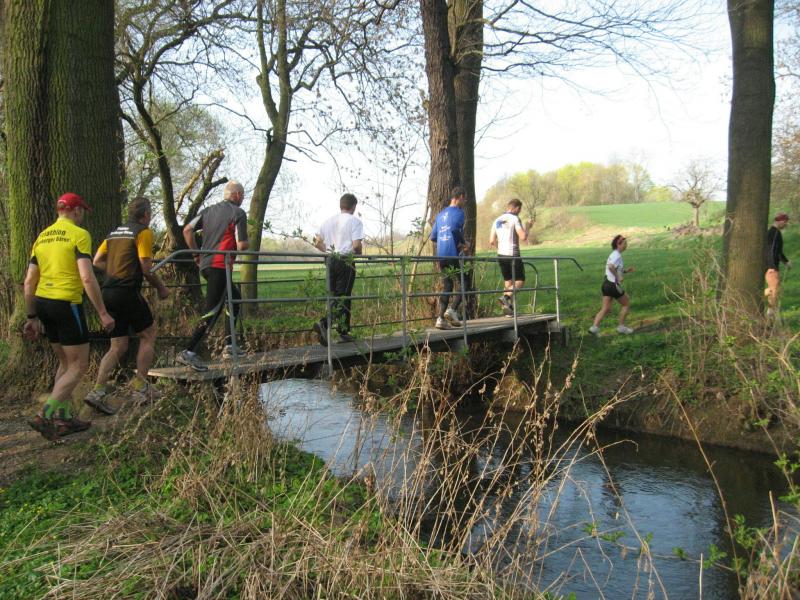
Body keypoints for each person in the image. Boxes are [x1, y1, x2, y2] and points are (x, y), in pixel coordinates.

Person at [23, 193, 115, 440]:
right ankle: (44, 415)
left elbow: (29, 281)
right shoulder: (79, 234)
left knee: (65, 364)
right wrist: (103, 313)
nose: (82, 215)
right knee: (79, 365)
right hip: (66, 304)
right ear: (76, 211)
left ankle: (63, 418)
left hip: (43, 304)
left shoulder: (42, 237)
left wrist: (31, 316)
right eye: (82, 210)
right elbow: (86, 276)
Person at [83, 197, 169, 415]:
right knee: (149, 333)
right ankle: (141, 387)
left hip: (108, 292)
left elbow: (97, 261)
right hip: (127, 292)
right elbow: (146, 269)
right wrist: (161, 288)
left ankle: (98, 391)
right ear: (146, 215)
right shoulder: (143, 232)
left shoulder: (114, 233)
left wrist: (115, 272)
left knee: (118, 345)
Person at [177, 180, 249, 371]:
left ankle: (230, 345)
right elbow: (242, 245)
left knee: (234, 299)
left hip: (206, 265)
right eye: (242, 195)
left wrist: (196, 254)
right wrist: (243, 246)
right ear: (237, 195)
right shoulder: (238, 213)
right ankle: (188, 351)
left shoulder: (208, 211)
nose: (243, 199)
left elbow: (187, 230)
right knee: (212, 311)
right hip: (219, 265)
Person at [312, 193, 364, 346]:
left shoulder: (328, 221)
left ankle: (343, 332)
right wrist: (359, 252)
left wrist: (328, 251)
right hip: (345, 261)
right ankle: (324, 323)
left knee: (335, 295)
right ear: (353, 206)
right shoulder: (355, 221)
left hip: (330, 260)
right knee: (343, 296)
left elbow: (317, 242)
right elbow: (356, 245)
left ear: (341, 205)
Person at [430, 186, 469, 330]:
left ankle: (440, 319)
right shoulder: (459, 212)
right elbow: (454, 229)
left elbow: (433, 237)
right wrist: (464, 243)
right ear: (460, 197)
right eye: (464, 198)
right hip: (452, 254)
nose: (465, 202)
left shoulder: (440, 215)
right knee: (465, 282)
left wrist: (445, 239)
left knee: (447, 286)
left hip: (441, 255)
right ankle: (452, 310)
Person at [589, 234, 635, 336]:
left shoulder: (614, 254)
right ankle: (621, 327)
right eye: (624, 243)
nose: (626, 245)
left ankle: (594, 328)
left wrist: (626, 271)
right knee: (626, 304)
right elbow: (610, 267)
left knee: (605, 308)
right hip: (613, 285)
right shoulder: (617, 255)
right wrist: (618, 277)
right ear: (618, 244)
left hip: (606, 284)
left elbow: (616, 268)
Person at [489, 198, 528, 317]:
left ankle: (507, 310)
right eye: (519, 210)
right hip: (513, 255)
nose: (519, 212)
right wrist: (528, 227)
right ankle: (505, 298)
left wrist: (501, 248)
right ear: (516, 208)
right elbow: (523, 237)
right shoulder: (515, 218)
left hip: (501, 255)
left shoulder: (497, 220)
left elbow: (491, 240)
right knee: (520, 281)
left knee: (508, 282)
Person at [765, 212, 791, 318]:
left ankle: (769, 308)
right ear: (780, 221)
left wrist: (786, 262)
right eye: (785, 222)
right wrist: (772, 266)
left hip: (772, 265)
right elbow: (770, 249)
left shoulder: (776, 232)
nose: (786, 225)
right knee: (774, 289)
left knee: (773, 288)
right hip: (771, 267)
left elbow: (778, 251)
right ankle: (770, 312)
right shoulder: (774, 233)